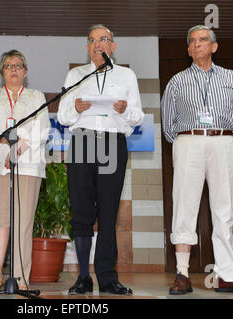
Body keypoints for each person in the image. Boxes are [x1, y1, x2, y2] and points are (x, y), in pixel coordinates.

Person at [161, 25, 233, 295]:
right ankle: (182, 274)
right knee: (184, 206)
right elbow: (168, 124)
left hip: (224, 142)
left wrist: (223, 138)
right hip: (188, 141)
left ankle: (227, 275)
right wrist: (188, 139)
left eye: (203, 40)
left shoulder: (232, 78)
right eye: (191, 42)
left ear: (214, 47)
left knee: (224, 210)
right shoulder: (177, 81)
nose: (196, 45)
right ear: (188, 49)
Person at [57, 24, 144, 295]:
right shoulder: (75, 74)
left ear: (113, 46)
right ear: (87, 47)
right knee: (82, 213)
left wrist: (125, 109)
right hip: (82, 141)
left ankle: (108, 278)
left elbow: (137, 117)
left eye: (103, 39)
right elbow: (62, 117)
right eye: (92, 40)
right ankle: (83, 276)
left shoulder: (127, 75)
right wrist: (75, 107)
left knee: (108, 214)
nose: (98, 44)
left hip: (113, 141)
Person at [0, 49, 49, 292]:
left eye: (18, 65)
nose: (14, 69)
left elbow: (43, 128)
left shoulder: (37, 96)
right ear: (2, 72)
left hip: (28, 163)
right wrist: (7, 141)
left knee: (23, 222)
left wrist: (20, 143)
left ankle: (20, 278)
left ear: (26, 72)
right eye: (9, 66)